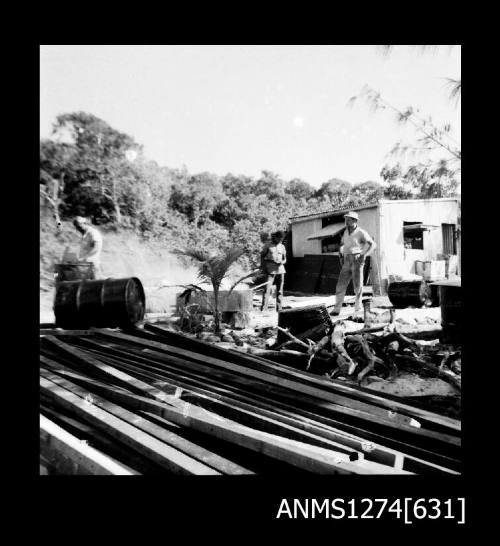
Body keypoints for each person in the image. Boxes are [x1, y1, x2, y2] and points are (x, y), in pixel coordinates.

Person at [332, 211, 376, 315]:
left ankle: (357, 308)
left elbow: (373, 244)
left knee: (358, 286)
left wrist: (364, 254)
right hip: (346, 259)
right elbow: (343, 244)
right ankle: (337, 309)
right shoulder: (345, 232)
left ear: (355, 221)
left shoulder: (361, 232)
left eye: (349, 219)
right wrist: (340, 252)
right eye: (346, 219)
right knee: (340, 285)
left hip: (357, 258)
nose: (346, 221)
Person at [260, 230, 286, 312]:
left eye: (282, 239)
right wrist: (263, 268)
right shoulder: (267, 245)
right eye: (279, 238)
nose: (280, 240)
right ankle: (264, 309)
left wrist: (283, 262)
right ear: (276, 237)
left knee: (280, 291)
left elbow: (285, 259)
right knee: (267, 290)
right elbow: (262, 256)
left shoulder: (282, 246)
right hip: (270, 270)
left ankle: (279, 309)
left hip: (281, 270)